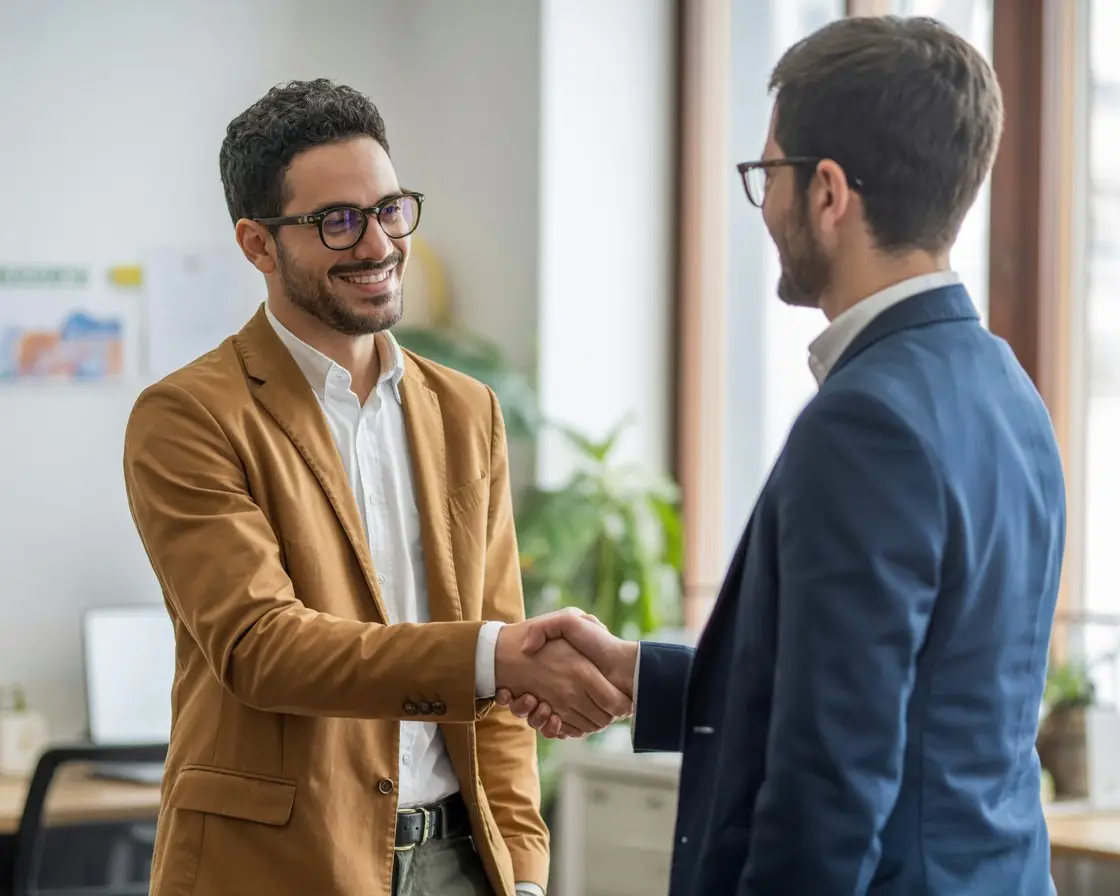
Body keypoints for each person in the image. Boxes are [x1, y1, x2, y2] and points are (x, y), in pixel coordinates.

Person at [498, 16, 1064, 896]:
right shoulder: (1006, 389)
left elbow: (832, 778)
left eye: (768, 175)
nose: (764, 205)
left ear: (829, 192)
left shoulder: (867, 421)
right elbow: (903, 705)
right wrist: (642, 677)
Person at [122, 79, 629, 896]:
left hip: (464, 861)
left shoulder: (468, 411)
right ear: (258, 245)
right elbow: (263, 648)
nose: (379, 243)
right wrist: (497, 657)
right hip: (279, 868)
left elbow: (496, 667)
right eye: (338, 221)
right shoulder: (188, 416)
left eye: (390, 208)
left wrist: (525, 872)